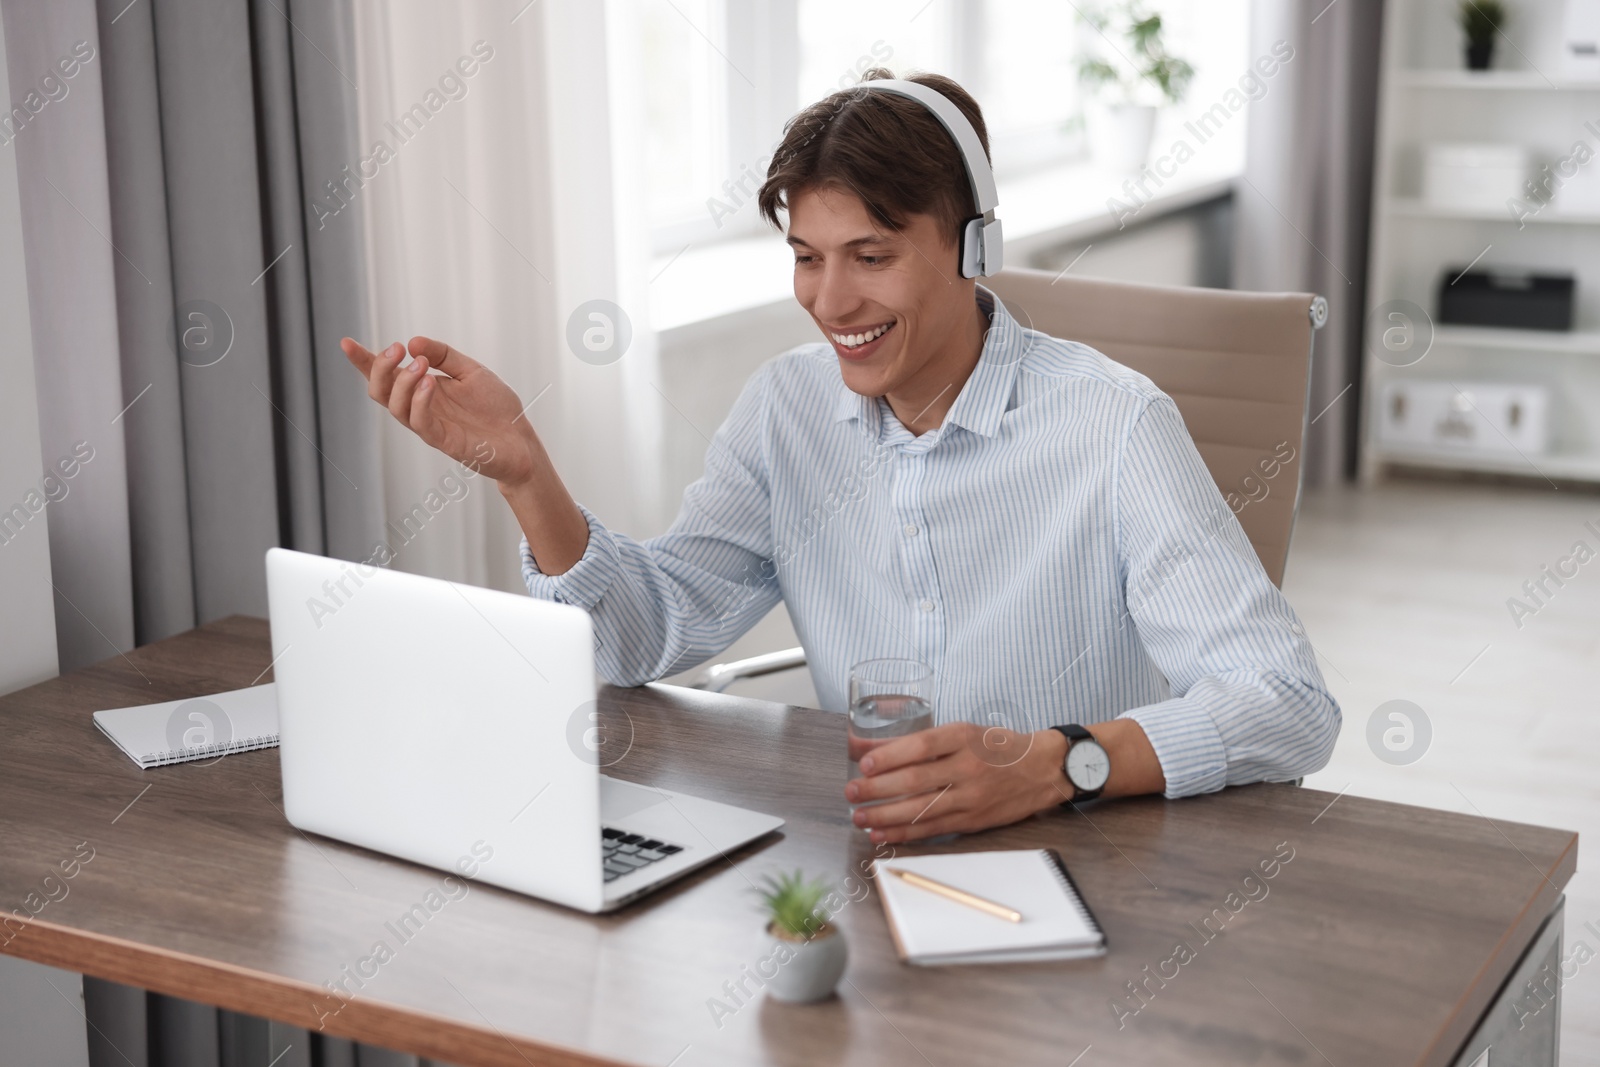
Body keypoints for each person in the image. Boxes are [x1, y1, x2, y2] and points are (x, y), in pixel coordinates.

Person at [340, 69, 1340, 845]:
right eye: (806, 257)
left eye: (871, 256)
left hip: (1097, 856)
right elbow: (643, 638)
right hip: (875, 858)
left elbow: (1287, 705)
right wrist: (527, 474)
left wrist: (1054, 763)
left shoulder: (1116, 425)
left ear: (972, 249)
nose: (831, 302)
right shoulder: (787, 407)